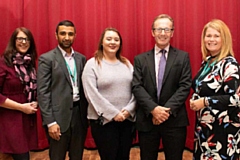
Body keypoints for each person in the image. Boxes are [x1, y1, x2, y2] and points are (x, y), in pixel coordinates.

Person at [132, 14, 192, 160]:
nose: (163, 33)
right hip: (147, 120)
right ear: (153, 32)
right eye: (159, 29)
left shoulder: (183, 57)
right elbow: (137, 86)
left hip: (174, 121)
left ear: (172, 32)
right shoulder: (140, 59)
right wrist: (154, 109)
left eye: (166, 29)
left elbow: (185, 86)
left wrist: (164, 112)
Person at [82, 27, 136, 160]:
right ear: (102, 42)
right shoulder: (92, 64)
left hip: (126, 120)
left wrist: (129, 110)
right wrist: (113, 114)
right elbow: (91, 94)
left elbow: (137, 89)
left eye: (116, 40)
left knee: (124, 157)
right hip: (103, 123)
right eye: (109, 39)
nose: (113, 42)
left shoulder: (127, 63)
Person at [37, 20, 88, 160]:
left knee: (77, 155)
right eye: (63, 33)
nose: (67, 37)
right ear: (56, 35)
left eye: (70, 34)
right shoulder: (47, 59)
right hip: (58, 118)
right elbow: (43, 93)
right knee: (57, 156)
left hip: (79, 116)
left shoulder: (81, 58)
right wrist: (50, 122)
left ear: (75, 35)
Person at [190, 19, 240, 159]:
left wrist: (205, 102)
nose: (211, 39)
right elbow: (202, 88)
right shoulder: (208, 62)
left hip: (222, 131)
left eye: (216, 36)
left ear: (224, 39)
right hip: (204, 131)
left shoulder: (229, 64)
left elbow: (236, 99)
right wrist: (195, 100)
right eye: (208, 36)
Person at [0, 27, 38, 160]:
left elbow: (33, 89)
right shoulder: (4, 63)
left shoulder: (29, 63)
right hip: (10, 119)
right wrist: (21, 107)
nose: (24, 42)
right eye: (20, 38)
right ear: (13, 41)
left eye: (27, 39)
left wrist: (35, 101)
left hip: (26, 119)